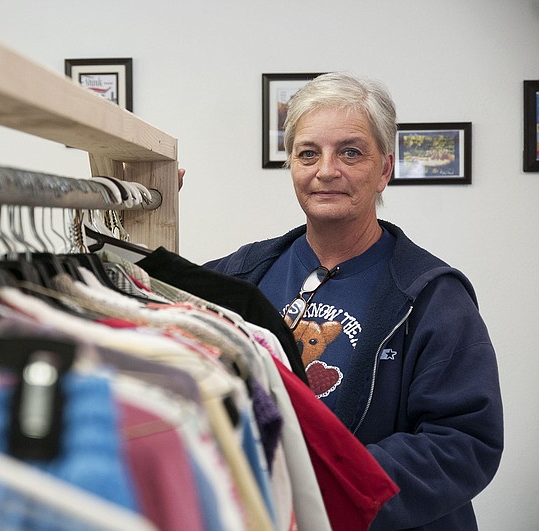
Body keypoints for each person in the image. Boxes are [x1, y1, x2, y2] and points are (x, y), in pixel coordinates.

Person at [203, 72, 503, 530]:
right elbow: (150, 311)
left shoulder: (431, 295)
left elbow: (463, 442)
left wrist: (320, 488)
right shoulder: (241, 274)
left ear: (384, 169)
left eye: (350, 152)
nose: (326, 170)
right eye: (308, 153)